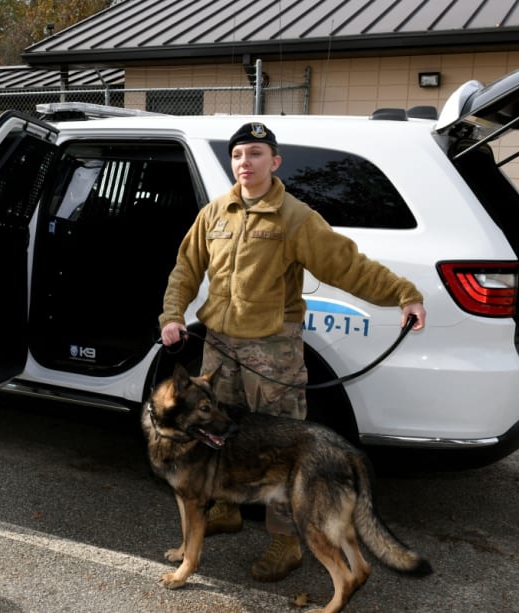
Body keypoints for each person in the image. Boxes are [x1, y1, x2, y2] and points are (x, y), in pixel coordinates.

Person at [158, 121, 427, 583]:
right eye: (239, 155)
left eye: (256, 154)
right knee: (218, 434)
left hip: (271, 352)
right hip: (219, 349)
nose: (246, 163)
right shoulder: (215, 213)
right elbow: (187, 266)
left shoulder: (294, 217)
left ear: (275, 161)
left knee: (279, 451)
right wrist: (172, 314)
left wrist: (403, 293)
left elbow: (348, 265)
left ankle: (285, 541)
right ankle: (224, 507)